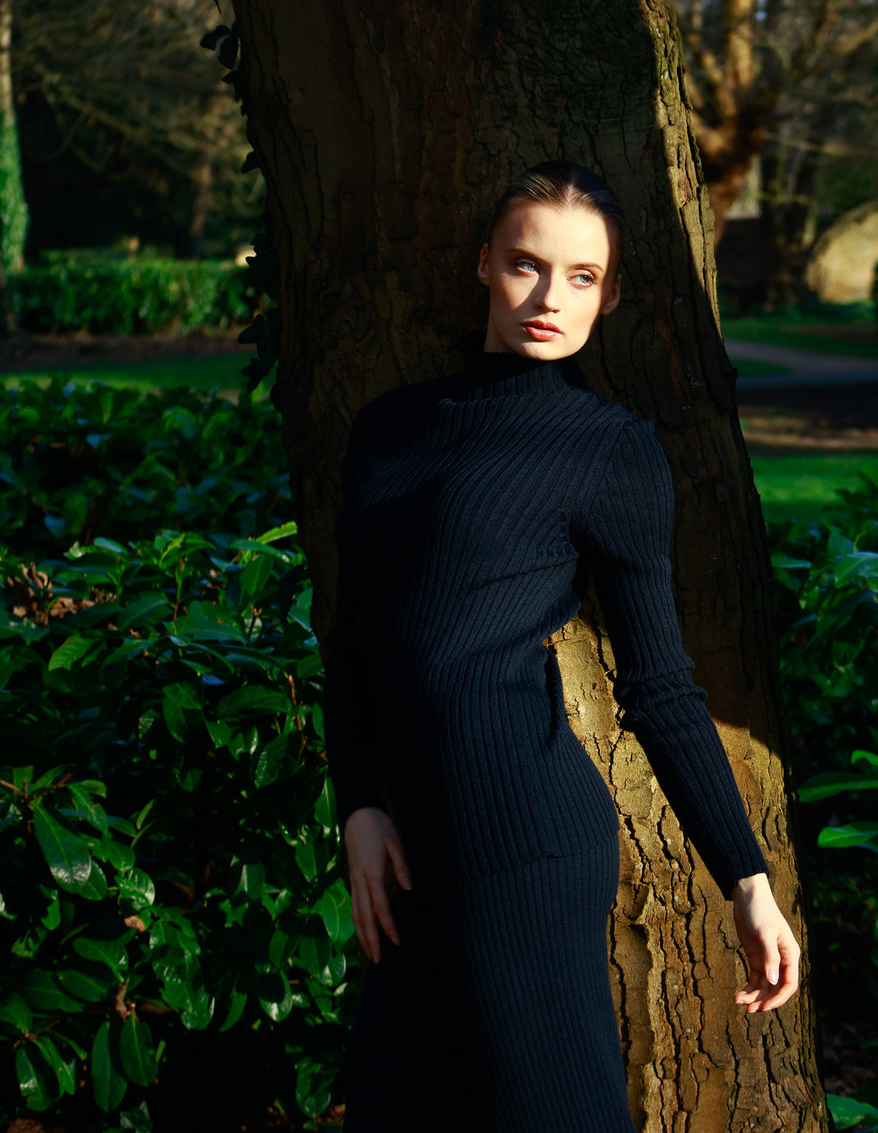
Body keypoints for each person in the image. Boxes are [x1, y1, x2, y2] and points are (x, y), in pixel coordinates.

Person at [319, 161, 800, 1131]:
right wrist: (359, 799)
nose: (549, 297)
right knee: (392, 1108)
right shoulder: (389, 428)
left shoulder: (608, 449)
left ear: (611, 293)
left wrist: (746, 878)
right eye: (526, 265)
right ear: (484, 266)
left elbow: (659, 684)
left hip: (524, 841)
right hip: (405, 843)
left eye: (582, 276)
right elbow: (355, 634)